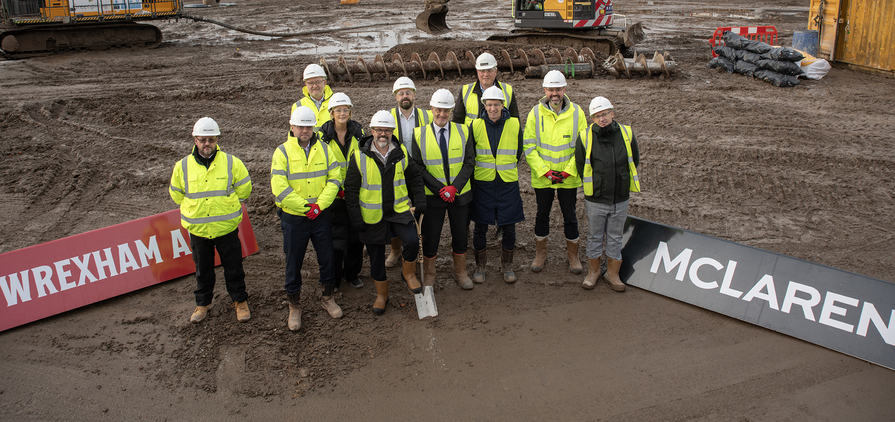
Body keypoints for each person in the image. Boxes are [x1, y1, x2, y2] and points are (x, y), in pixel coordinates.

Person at [169, 117, 253, 324]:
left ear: (217, 140)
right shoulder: (183, 166)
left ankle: (239, 301)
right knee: (202, 270)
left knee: (234, 268)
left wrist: (228, 205)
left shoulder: (231, 162)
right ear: (195, 140)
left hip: (226, 228)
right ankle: (203, 303)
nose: (207, 144)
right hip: (198, 230)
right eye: (203, 139)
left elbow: (245, 190)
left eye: (211, 140)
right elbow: (176, 194)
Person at [344, 111, 427, 315]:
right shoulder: (358, 156)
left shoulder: (401, 153)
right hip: (371, 216)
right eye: (379, 130)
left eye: (387, 130)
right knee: (375, 258)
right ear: (372, 131)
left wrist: (420, 201)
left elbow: (415, 178)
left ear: (392, 132)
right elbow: (351, 190)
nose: (383, 134)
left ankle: (408, 273)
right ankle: (382, 295)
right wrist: (356, 219)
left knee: (412, 241)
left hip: (398, 210)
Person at [271, 106, 344, 331]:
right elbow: (279, 188)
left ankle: (327, 297)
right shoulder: (282, 152)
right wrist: (305, 207)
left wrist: (319, 205)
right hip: (295, 218)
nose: (305, 130)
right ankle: (294, 305)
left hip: (320, 215)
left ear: (313, 127)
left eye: (308, 126)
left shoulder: (324, 149)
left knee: (327, 257)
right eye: (300, 126)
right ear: (291, 127)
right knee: (293, 262)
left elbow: (335, 178)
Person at [523, 70, 588, 275]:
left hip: (568, 179)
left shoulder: (577, 113)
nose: (554, 93)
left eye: (558, 89)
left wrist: (568, 172)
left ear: (564, 89)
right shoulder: (535, 113)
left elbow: (582, 148)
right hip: (544, 178)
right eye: (551, 89)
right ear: (544, 90)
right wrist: (546, 172)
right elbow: (529, 147)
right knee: (542, 215)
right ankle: (540, 254)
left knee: (570, 216)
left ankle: (573, 256)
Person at [412, 89, 476, 290]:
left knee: (460, 235)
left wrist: (454, 188)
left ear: (451, 111)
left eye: (446, 111)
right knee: (431, 237)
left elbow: (469, 163)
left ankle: (460, 271)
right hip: (434, 197)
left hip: (459, 195)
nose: (442, 114)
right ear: (431, 109)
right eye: (438, 110)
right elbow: (418, 167)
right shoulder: (419, 134)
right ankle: (430, 273)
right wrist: (441, 189)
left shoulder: (464, 130)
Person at [575, 97, 640, 291]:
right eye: (596, 116)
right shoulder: (585, 136)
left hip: (620, 197)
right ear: (592, 118)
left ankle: (612, 274)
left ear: (612, 113)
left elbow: (633, 160)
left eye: (604, 114)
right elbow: (580, 165)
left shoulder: (626, 133)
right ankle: (593, 272)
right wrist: (597, 184)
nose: (601, 119)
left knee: (614, 237)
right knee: (594, 236)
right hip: (596, 198)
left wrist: (620, 180)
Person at [469, 86, 525, 284]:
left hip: (507, 183)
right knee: (480, 227)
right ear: (484, 105)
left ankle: (507, 266)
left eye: (497, 104)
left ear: (503, 105)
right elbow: (471, 154)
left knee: (509, 227)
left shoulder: (514, 124)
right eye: (489, 104)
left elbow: (518, 152)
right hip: (483, 183)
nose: (493, 108)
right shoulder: (474, 126)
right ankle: (480, 266)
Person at [384, 76, 434, 269]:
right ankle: (396, 250)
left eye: (408, 92)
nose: (405, 96)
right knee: (396, 211)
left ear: (414, 94)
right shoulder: (388, 116)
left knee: (422, 209)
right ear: (395, 96)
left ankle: (421, 245)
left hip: (420, 171)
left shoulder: (427, 116)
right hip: (397, 173)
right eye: (400, 93)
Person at [318, 92, 365, 290]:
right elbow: (319, 166)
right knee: (335, 239)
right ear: (331, 113)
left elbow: (364, 161)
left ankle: (352, 274)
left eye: (346, 110)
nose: (342, 113)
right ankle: (335, 278)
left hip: (354, 194)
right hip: (333, 195)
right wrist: (334, 189)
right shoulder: (322, 137)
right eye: (338, 110)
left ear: (350, 112)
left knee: (355, 236)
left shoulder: (358, 133)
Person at [452, 52, 519, 125]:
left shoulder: (508, 90)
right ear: (477, 72)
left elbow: (515, 121)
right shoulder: (465, 91)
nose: (486, 74)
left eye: (489, 70)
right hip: (472, 136)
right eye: (482, 71)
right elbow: (457, 121)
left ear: (495, 71)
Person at [291, 64, 332, 131]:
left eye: (318, 82)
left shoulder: (335, 102)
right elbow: (294, 135)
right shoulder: (298, 106)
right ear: (306, 84)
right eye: (310, 83)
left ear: (325, 82)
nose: (315, 86)